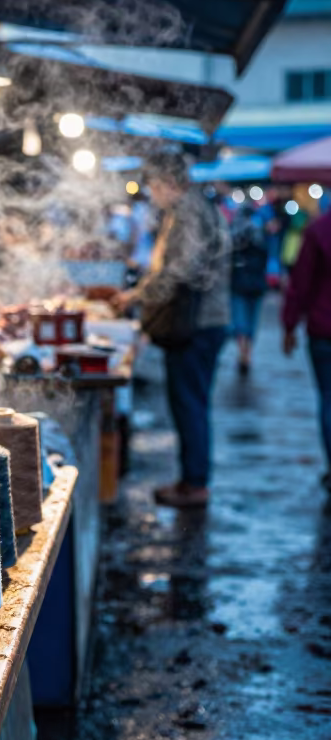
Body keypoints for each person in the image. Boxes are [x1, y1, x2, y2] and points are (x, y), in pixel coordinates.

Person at [114, 154, 229, 509]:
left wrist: (135, 295)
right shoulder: (185, 210)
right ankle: (191, 478)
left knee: (189, 403)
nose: (152, 194)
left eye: (154, 186)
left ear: (169, 183)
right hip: (199, 322)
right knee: (190, 402)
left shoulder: (189, 212)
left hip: (198, 324)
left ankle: (194, 483)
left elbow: (178, 272)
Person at [282, 205, 331, 487]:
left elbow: (300, 284)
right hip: (322, 329)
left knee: (328, 398)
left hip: (324, 328)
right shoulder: (315, 230)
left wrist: (289, 325)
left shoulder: (318, 230)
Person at [229, 202, 269, 374]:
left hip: (241, 285)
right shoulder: (260, 236)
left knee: (242, 322)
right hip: (253, 285)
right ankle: (246, 353)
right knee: (249, 321)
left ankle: (243, 353)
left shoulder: (235, 236)